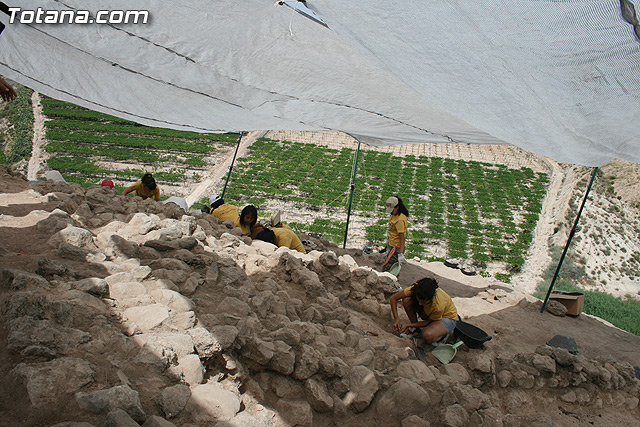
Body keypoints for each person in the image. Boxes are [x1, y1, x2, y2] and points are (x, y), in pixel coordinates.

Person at [390, 277, 458, 345]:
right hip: (429, 312)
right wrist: (396, 319)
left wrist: (409, 325)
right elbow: (393, 298)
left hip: (447, 318)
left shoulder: (438, 305)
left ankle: (442, 336)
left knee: (427, 336)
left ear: (431, 299)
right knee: (407, 300)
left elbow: (426, 323)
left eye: (423, 302)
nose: (419, 304)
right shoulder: (417, 289)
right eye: (418, 300)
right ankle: (416, 330)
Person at [383, 195, 408, 270]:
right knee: (390, 264)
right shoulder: (394, 215)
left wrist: (400, 253)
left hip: (396, 247)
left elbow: (402, 237)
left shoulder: (400, 220)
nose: (390, 212)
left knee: (388, 268)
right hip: (392, 244)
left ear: (397, 207)